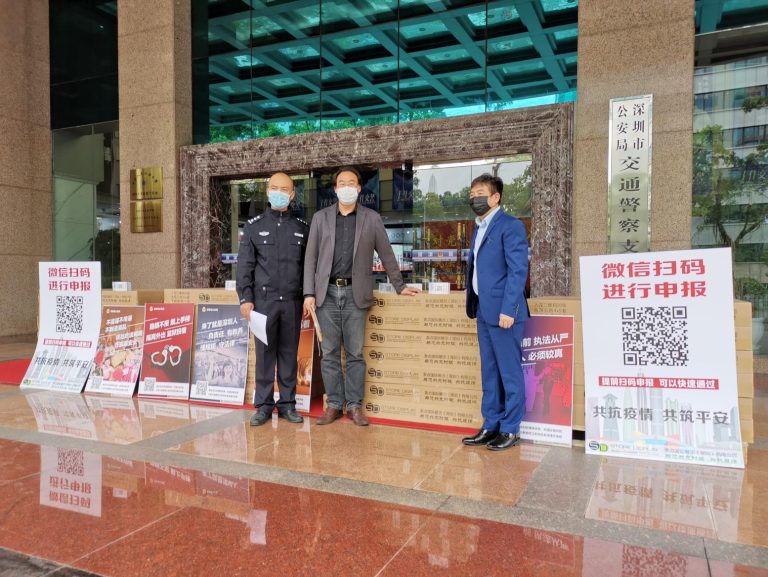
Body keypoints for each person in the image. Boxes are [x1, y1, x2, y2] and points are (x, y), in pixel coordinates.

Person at [303, 167, 420, 426]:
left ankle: (354, 405)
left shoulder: (371, 218)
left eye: (351, 183)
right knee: (331, 352)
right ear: (335, 189)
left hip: (357, 293)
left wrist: (399, 286)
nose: (346, 187)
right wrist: (308, 293)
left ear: (358, 188)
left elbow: (387, 254)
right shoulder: (321, 218)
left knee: (355, 353)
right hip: (327, 294)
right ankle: (334, 404)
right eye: (341, 183)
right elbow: (309, 259)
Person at [462, 173, 529, 451]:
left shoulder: (510, 226)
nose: (474, 198)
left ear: (495, 197)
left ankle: (511, 428)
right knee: (490, 371)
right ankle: (491, 424)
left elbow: (517, 271)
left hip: (504, 314)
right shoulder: (479, 227)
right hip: (484, 311)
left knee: (509, 373)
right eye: (472, 194)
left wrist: (509, 309)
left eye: (480, 193)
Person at [237, 172, 309, 426]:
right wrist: (245, 298)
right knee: (265, 356)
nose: (279, 193)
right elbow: (245, 266)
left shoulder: (302, 227)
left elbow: (307, 267)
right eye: (274, 188)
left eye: (284, 189)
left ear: (292, 194)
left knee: (289, 354)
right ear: (267, 192)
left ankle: (288, 405)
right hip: (264, 303)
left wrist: (308, 296)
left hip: (292, 301)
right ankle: (264, 405)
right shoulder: (255, 226)